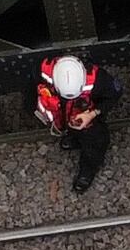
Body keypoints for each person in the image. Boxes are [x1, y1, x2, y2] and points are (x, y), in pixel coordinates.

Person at [33, 52, 124, 194]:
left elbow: (114, 95)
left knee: (95, 141)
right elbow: (32, 88)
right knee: (67, 124)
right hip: (62, 113)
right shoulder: (43, 69)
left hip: (88, 118)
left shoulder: (99, 79)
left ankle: (88, 170)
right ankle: (73, 138)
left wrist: (92, 114)